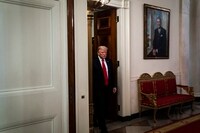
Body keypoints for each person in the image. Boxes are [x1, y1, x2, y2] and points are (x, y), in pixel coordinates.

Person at [93, 46, 117, 133]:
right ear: (98, 53)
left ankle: (96, 120)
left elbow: (112, 74)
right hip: (98, 89)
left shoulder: (109, 61)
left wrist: (114, 86)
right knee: (100, 106)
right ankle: (103, 127)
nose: (104, 54)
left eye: (105, 52)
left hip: (108, 88)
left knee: (104, 106)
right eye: (102, 52)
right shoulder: (94, 62)